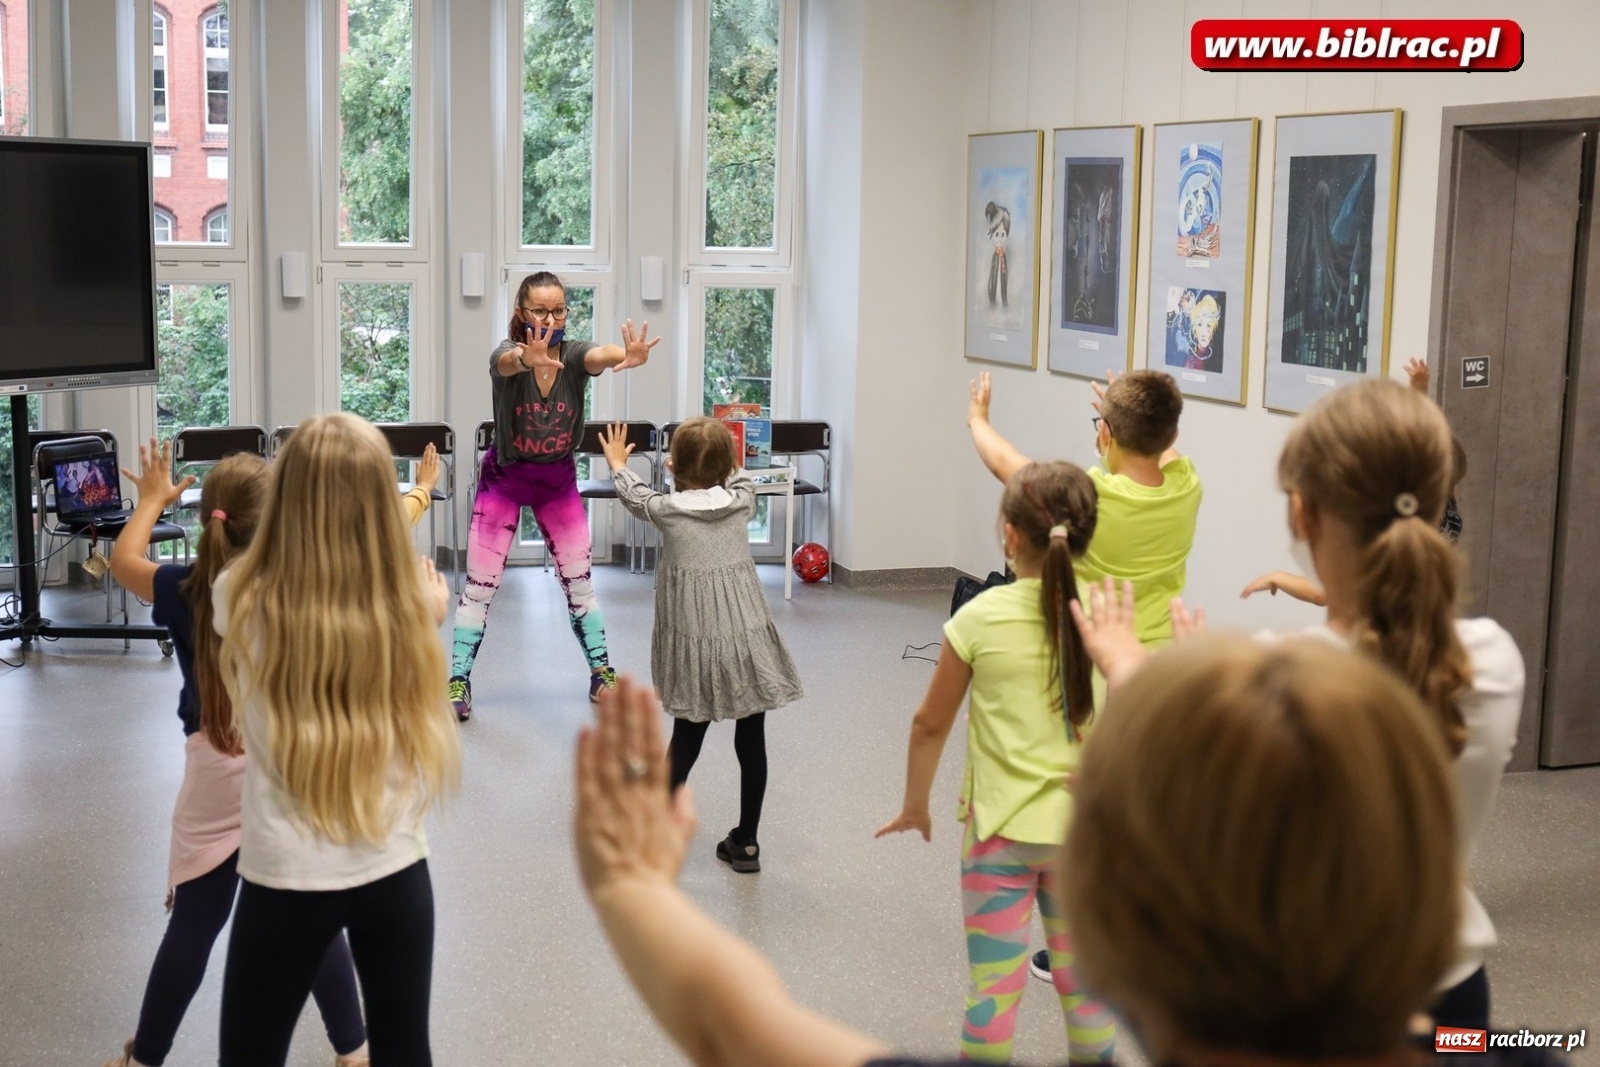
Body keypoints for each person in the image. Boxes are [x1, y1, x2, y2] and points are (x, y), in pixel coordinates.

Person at [572, 645, 1560, 1067]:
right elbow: (1480, 1044)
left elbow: (734, 1026)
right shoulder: (1491, 1052)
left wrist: (627, 883)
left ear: (1122, 934)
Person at [1130, 379, 1523, 1032]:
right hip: (1455, 997)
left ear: (1302, 515)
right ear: (1438, 502)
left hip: (1313, 1007)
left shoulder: (1267, 675)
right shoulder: (1493, 661)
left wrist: (1159, 681)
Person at [103, 442, 369, 1067]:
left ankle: (144, 1060)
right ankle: (355, 1054)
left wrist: (150, 500)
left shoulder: (184, 587)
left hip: (214, 770)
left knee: (195, 925)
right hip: (286, 770)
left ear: (208, 517)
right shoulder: (300, 591)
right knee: (312, 916)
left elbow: (122, 560)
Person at [213, 413, 461, 1067]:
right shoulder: (414, 603)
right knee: (406, 1049)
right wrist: (431, 616)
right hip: (395, 868)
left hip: (283, 876)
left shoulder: (237, 596)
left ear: (286, 498)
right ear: (381, 504)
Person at [967, 367, 1201, 982]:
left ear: (1106, 435)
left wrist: (977, 420)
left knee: (1095, 811)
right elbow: (1161, 442)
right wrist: (1123, 418)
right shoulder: (1186, 486)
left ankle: (1092, 939)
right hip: (1161, 669)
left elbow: (1010, 468)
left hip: (1101, 668)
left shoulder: (1097, 498)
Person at [877, 461, 1114, 1065]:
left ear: (1009, 536)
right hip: (1085, 842)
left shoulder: (976, 619)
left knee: (994, 991)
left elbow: (931, 723)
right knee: (1087, 991)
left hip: (999, 837)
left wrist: (914, 804)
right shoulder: (1109, 622)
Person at [449, 270, 661, 721]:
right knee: (480, 587)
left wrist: (629, 353)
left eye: (559, 309)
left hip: (557, 481)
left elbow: (602, 355)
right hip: (504, 478)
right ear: (520, 314)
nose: (551, 318)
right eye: (540, 310)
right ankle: (458, 680)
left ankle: (602, 673)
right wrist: (530, 360)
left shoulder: (576, 354)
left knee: (581, 584)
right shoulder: (507, 355)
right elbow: (508, 365)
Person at [600, 417, 802, 872]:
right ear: (728, 466)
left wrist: (618, 463)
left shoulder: (669, 509)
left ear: (671, 465)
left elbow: (635, 496)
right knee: (752, 742)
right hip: (746, 642)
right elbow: (744, 476)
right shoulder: (742, 503)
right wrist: (735, 456)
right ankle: (747, 842)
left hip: (699, 646)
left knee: (687, 739)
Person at [1241, 357, 1463, 602]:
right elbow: (1420, 449)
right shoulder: (1444, 512)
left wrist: (1278, 577)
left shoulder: (1388, 545)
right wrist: (1418, 393)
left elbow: (1324, 594)